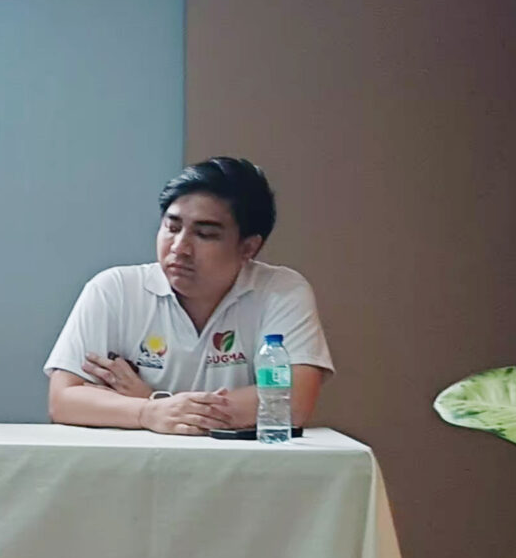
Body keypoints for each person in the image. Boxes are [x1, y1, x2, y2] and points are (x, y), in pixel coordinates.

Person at [45, 157, 331, 435]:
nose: (179, 248)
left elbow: (292, 402)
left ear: (248, 248)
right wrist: (149, 413)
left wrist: (155, 400)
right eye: (172, 227)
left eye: (204, 234)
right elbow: (64, 399)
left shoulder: (281, 290)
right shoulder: (114, 289)